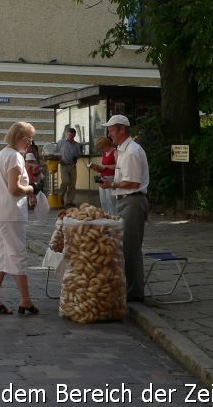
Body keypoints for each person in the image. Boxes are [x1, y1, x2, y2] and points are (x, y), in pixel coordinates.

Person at [0, 121, 41, 315]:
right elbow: (14, 188)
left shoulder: (2, 154)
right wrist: (32, 188)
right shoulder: (15, 157)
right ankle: (25, 301)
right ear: (19, 137)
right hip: (9, 214)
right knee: (17, 255)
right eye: (29, 138)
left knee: (2, 254)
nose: (30, 143)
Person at [100, 114, 149, 302]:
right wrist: (112, 181)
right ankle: (130, 289)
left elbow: (133, 182)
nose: (109, 133)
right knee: (127, 247)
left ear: (122, 130)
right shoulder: (123, 150)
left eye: (112, 129)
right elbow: (125, 179)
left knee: (130, 248)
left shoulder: (131, 151)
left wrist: (112, 185)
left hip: (133, 201)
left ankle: (135, 293)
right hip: (128, 200)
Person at [90, 136, 118, 215]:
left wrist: (106, 166)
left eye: (102, 148)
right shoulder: (104, 153)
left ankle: (114, 217)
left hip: (111, 178)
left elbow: (118, 166)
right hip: (102, 177)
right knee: (103, 201)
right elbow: (103, 166)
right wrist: (98, 168)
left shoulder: (115, 152)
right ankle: (105, 217)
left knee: (111, 201)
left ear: (106, 145)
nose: (101, 150)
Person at [57, 127, 83, 207]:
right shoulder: (61, 142)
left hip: (72, 166)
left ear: (74, 135)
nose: (71, 137)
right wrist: (59, 159)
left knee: (72, 184)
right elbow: (55, 152)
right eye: (69, 135)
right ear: (67, 134)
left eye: (72, 136)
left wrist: (77, 157)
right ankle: (60, 196)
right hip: (64, 165)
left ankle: (69, 201)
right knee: (65, 181)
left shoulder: (77, 144)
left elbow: (79, 154)